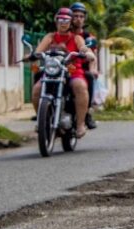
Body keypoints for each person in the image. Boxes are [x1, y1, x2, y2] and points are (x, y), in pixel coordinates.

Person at [32, 7, 96, 138]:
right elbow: (38, 51)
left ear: (70, 22)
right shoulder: (50, 37)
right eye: (60, 19)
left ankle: (80, 124)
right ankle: (41, 120)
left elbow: (83, 48)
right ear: (56, 21)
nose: (63, 23)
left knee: (80, 86)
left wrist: (87, 53)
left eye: (66, 20)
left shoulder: (77, 38)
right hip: (52, 71)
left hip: (72, 70)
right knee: (37, 89)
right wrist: (33, 57)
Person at [70, 2, 98, 129]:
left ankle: (86, 112)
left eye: (81, 16)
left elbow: (94, 56)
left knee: (89, 77)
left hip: (83, 68)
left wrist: (93, 69)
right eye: (75, 16)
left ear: (84, 18)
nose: (78, 19)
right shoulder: (65, 32)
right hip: (64, 66)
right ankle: (43, 110)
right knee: (39, 74)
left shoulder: (88, 37)